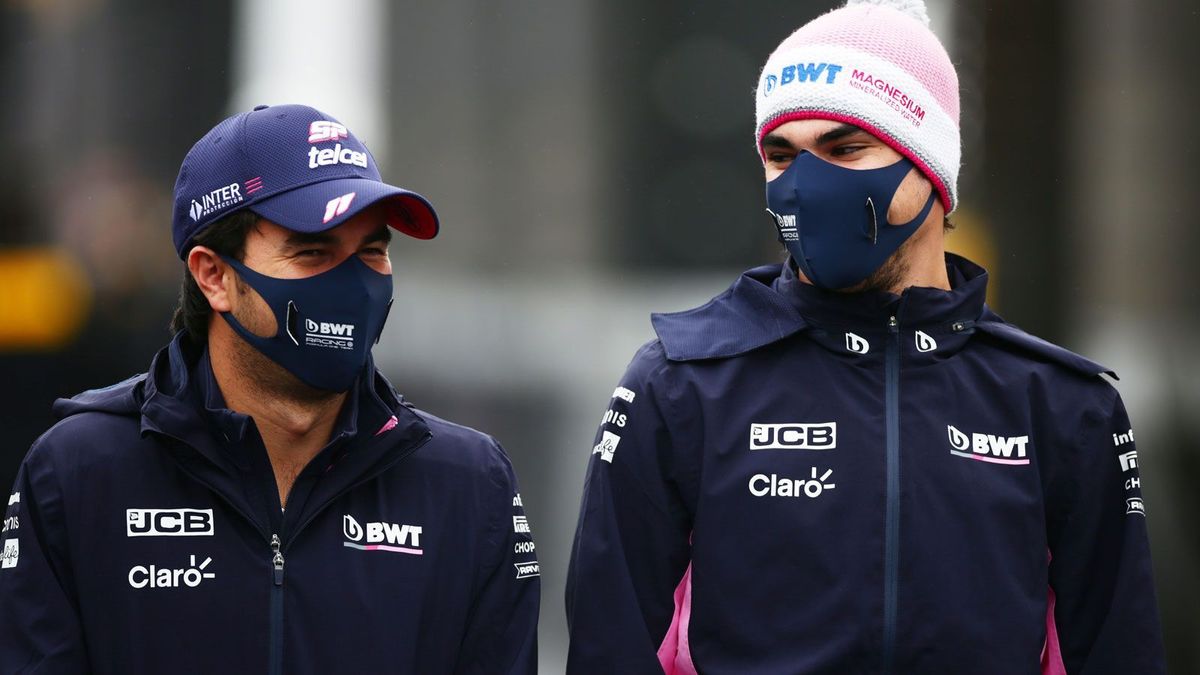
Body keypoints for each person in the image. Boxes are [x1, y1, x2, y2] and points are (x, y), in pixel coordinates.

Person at [564, 1, 1165, 673]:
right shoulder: (681, 382)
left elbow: (1121, 653)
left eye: (846, 148)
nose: (808, 185)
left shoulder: (1061, 403)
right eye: (782, 155)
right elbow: (605, 649)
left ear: (929, 165)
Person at [0, 104, 539, 673]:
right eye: (313, 252)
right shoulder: (80, 472)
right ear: (214, 275)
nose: (354, 282)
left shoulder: (468, 484)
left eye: (372, 251)